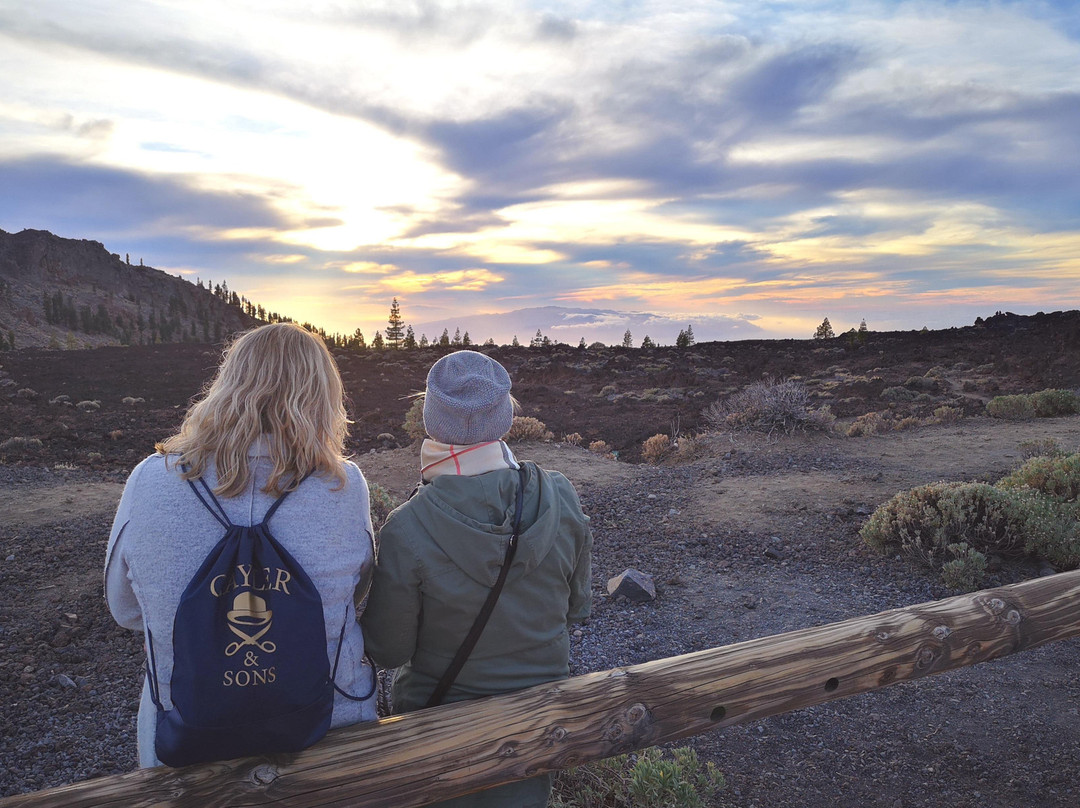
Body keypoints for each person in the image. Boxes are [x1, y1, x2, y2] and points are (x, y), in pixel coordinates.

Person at [104, 322, 377, 767]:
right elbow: (353, 593)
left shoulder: (150, 479)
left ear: (227, 383)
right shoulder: (344, 486)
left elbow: (126, 610)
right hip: (329, 726)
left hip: (188, 730)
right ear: (324, 397)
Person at [361, 350, 593, 808]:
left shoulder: (408, 527)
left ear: (430, 420)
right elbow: (577, 608)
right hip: (539, 722)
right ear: (506, 419)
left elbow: (388, 651)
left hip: (439, 731)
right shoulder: (560, 494)